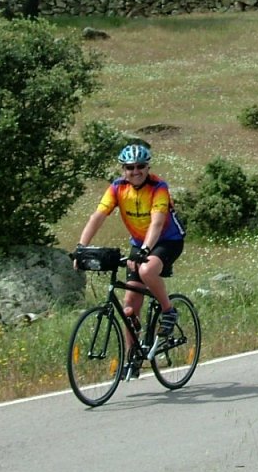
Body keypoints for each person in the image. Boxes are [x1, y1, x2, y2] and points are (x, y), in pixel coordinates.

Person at [76, 143, 186, 352]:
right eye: (130, 167)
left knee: (146, 270)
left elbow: (157, 222)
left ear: (147, 167)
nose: (135, 171)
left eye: (140, 166)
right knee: (129, 309)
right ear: (123, 169)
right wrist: (81, 247)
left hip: (168, 241)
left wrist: (146, 250)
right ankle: (132, 357)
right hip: (139, 243)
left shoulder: (158, 187)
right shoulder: (118, 188)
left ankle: (168, 310)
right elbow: (98, 216)